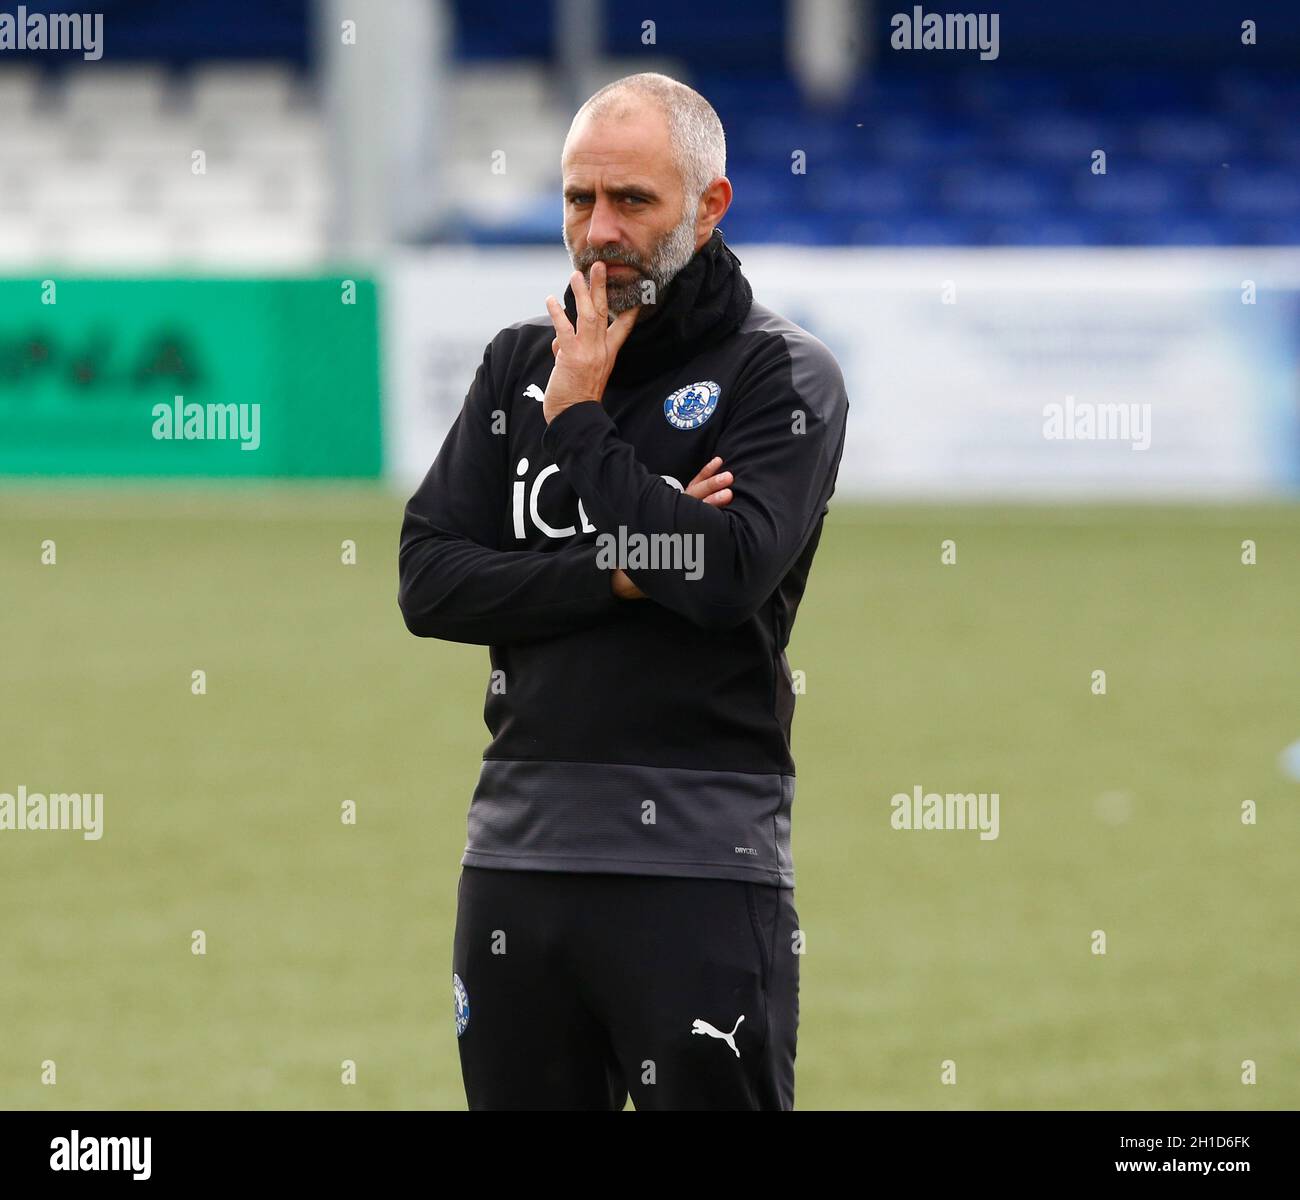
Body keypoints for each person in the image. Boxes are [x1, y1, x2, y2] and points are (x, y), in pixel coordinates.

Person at [399, 71, 849, 1110]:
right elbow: (429, 582)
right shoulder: (520, 360)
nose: (599, 232)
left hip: (697, 859)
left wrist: (579, 429)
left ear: (708, 204)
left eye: (633, 202)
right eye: (577, 200)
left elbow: (723, 572)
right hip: (517, 855)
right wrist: (621, 562)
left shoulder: (779, 375)